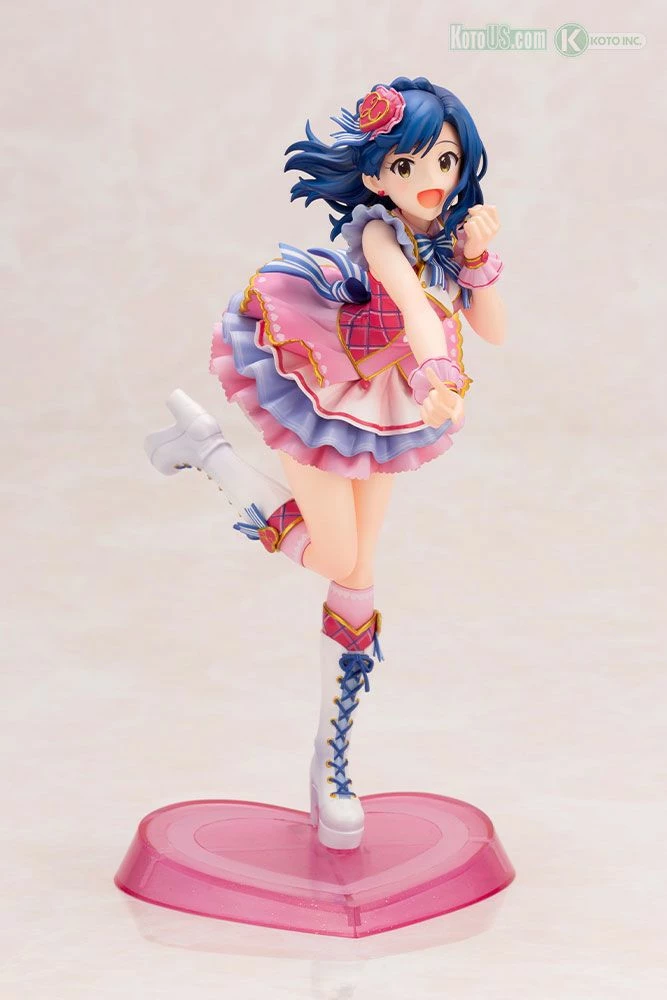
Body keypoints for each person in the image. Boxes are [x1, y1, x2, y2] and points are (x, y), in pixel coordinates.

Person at [144, 75, 505, 850]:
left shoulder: (447, 236)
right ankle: (208, 451)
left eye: (443, 161)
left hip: (382, 408)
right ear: (376, 177)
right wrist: (439, 378)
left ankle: (329, 766)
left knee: (357, 573)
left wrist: (476, 259)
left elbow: (494, 328)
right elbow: (411, 309)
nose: (429, 179)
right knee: (337, 553)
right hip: (320, 383)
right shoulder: (380, 233)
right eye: (406, 165)